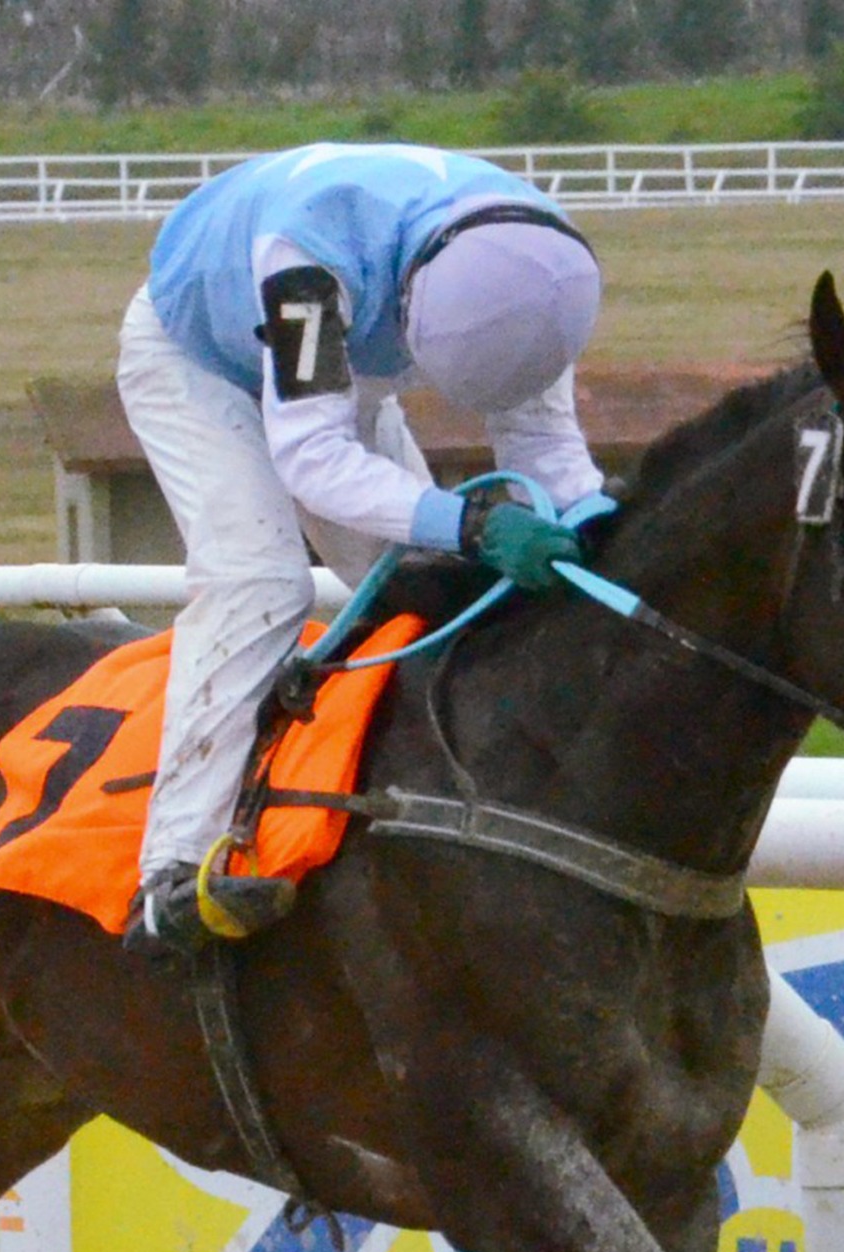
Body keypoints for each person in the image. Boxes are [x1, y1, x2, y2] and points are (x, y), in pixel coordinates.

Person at [117, 141, 609, 956]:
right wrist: (474, 525)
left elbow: (547, 450)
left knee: (427, 586)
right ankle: (169, 873)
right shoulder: (310, 261)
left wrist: (593, 528)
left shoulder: (537, 271)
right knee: (262, 583)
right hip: (198, 359)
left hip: (347, 364)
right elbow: (311, 458)